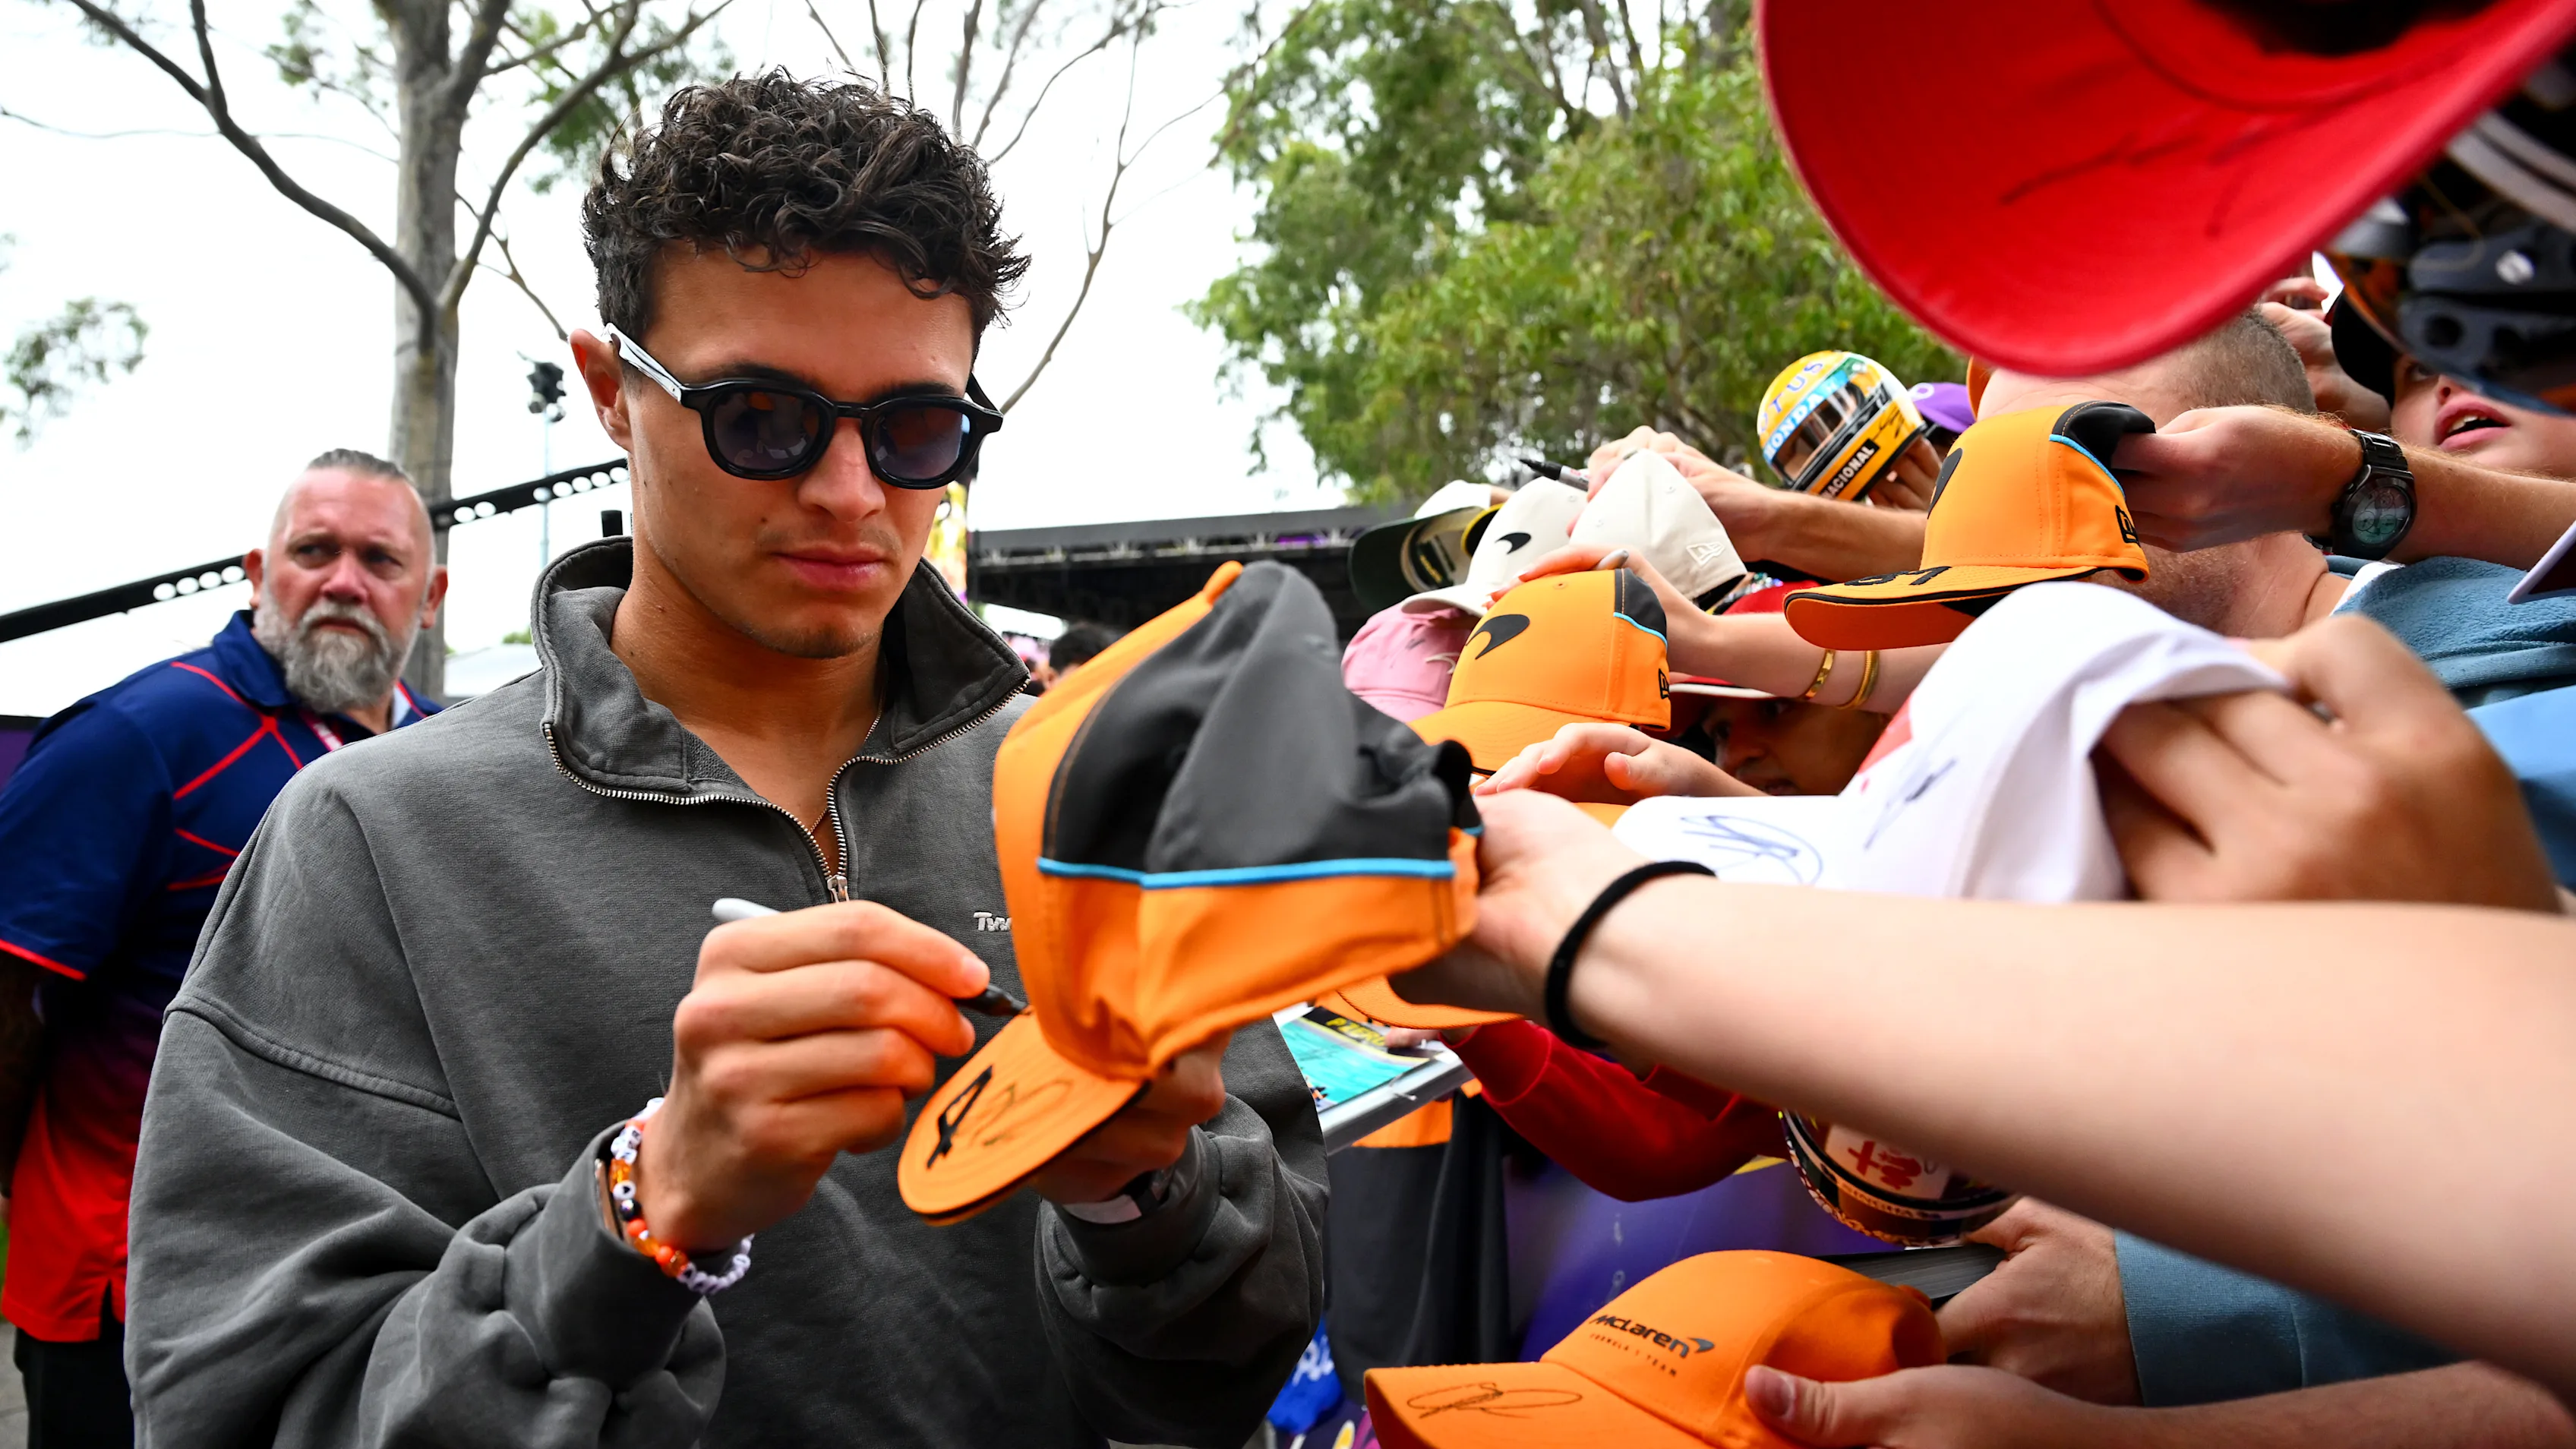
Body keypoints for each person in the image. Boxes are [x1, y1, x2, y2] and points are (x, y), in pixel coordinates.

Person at [123, 74, 1322, 1448]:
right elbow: (254, 1405)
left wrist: (1141, 1197)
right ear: (611, 393)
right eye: (763, 415)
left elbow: (1247, 1349)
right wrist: (639, 1210)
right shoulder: (372, 844)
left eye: (918, 429)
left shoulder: (1096, 800)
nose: (851, 492)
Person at [0, 449, 447, 1447]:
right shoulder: (142, 735)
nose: (343, 580)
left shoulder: (440, 752)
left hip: (365, 1283)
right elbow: (9, 992)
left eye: (379, 559)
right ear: (257, 570)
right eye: (313, 550)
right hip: (130, 1285)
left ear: (430, 595)